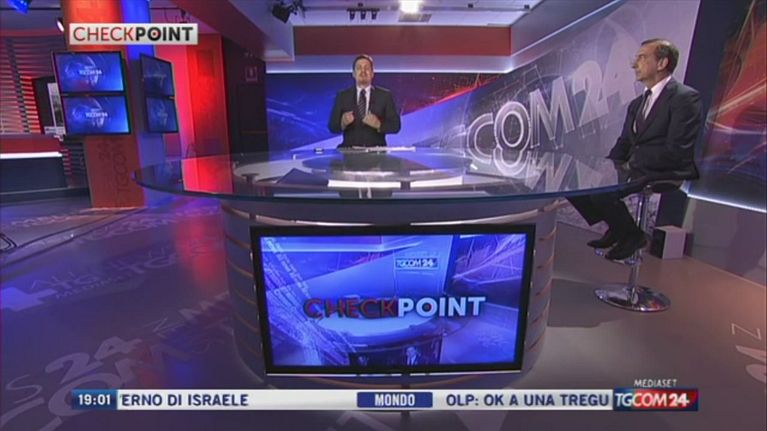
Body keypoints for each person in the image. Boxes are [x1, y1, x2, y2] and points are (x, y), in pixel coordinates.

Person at [568, 38, 702, 261]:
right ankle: (617, 228)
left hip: (666, 168)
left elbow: (677, 148)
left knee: (604, 194)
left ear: (662, 63)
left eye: (642, 57)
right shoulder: (637, 104)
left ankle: (632, 236)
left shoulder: (685, 98)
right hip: (636, 166)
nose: (634, 64)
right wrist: (606, 166)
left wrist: (631, 164)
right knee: (576, 183)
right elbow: (624, 142)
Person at [328, 54, 401, 148]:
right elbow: (332, 127)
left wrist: (379, 125)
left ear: (372, 73)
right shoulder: (342, 96)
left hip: (377, 152)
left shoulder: (385, 96)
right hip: (350, 152)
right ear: (353, 74)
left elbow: (396, 126)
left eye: (366, 68)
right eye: (359, 68)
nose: (363, 71)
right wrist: (342, 123)